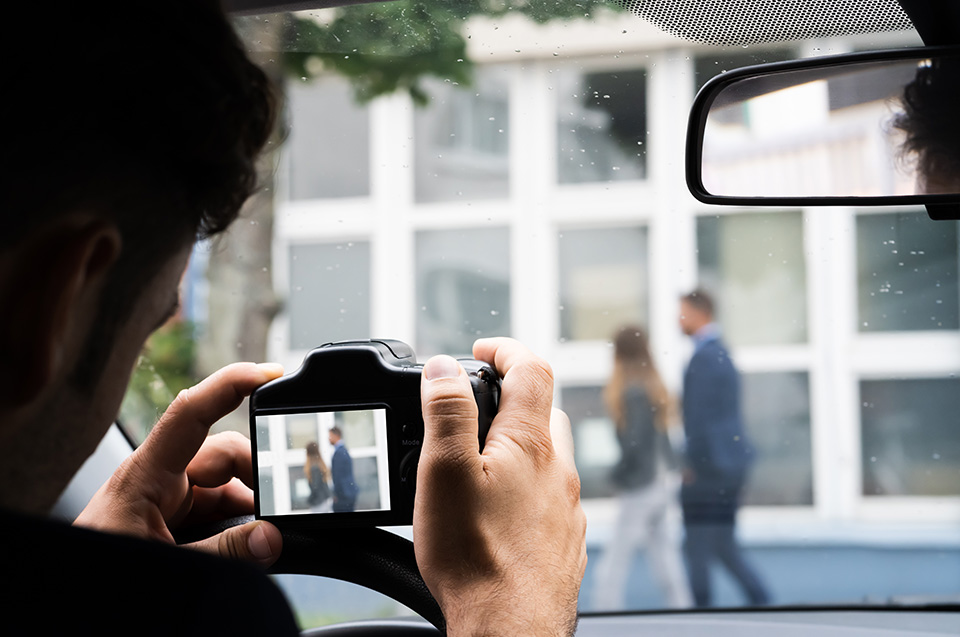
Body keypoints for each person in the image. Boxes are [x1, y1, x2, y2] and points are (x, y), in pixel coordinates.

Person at [1, 1, 587, 634]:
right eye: (147, 325)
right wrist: (512, 603)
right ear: (49, 305)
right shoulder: (200, 612)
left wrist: (92, 584)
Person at [678, 289, 770, 607]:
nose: (679, 320)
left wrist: (692, 465)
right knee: (721, 544)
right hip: (728, 464)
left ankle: (700, 618)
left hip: (711, 468)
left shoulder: (705, 357)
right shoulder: (719, 353)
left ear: (701, 313)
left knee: (697, 547)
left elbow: (700, 419)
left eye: (683, 312)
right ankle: (761, 600)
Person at [592, 326, 692, 610]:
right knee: (664, 554)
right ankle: (682, 610)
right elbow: (661, 437)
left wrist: (615, 476)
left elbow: (635, 444)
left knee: (615, 560)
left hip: (642, 485)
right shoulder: (652, 384)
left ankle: (604, 616)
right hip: (663, 480)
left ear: (618, 352)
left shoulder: (631, 390)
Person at [328, 426, 358, 513]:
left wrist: (336, 494)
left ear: (336, 436)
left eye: (330, 436)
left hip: (344, 495)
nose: (328, 438)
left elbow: (338, 476)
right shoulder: (343, 450)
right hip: (347, 493)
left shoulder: (339, 453)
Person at [304, 441, 333, 513]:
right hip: (324, 500)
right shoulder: (320, 465)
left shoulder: (314, 468)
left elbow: (315, 487)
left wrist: (309, 500)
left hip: (318, 503)